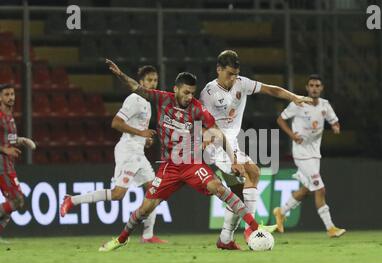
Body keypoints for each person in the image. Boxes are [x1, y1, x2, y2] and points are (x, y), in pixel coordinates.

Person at [98, 59, 278, 252]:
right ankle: (122, 238)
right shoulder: (162, 98)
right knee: (145, 209)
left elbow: (218, 133)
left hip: (191, 164)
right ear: (175, 89)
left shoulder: (197, 109)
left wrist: (234, 160)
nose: (189, 97)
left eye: (192, 93)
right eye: (185, 92)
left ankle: (255, 229)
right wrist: (120, 75)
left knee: (220, 189)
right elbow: (136, 87)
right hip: (170, 167)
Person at [200, 50, 313, 250]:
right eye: (229, 74)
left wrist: (293, 96)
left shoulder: (241, 83)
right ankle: (250, 228)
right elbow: (206, 125)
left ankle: (225, 239)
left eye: (235, 74)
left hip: (231, 144)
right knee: (252, 171)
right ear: (218, 69)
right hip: (216, 146)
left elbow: (271, 90)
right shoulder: (208, 93)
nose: (233, 78)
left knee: (237, 196)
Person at [60, 66, 167, 244]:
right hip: (128, 151)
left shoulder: (148, 102)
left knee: (155, 190)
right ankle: (72, 200)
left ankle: (148, 235)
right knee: (118, 194)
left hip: (138, 152)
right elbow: (116, 123)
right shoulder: (134, 99)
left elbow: (138, 130)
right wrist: (140, 134)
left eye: (155, 80)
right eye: (149, 80)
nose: (152, 83)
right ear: (140, 82)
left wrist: (145, 139)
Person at [272, 75, 346, 237]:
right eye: (311, 85)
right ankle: (330, 228)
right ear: (307, 88)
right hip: (301, 153)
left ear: (321, 88)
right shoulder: (298, 103)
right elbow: (280, 119)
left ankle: (281, 211)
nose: (314, 88)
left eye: (317, 85)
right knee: (320, 188)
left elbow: (334, 121)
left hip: (314, 153)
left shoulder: (325, 105)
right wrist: (292, 135)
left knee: (307, 190)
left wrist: (335, 126)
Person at [0, 83, 36, 242]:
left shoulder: (9, 118)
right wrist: (5, 150)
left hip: (7, 165)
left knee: (14, 203)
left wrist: (23, 141)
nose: (11, 97)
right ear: (0, 97)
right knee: (17, 201)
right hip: (2, 165)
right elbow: (6, 145)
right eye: (7, 94)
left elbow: (9, 139)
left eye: (12, 94)